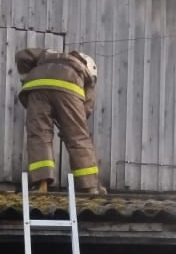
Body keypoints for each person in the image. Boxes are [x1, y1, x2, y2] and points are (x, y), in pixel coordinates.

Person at [15, 47, 107, 194]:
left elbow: (22, 55)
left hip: (37, 87)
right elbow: (83, 114)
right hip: (69, 86)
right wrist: (69, 128)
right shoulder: (86, 73)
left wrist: (27, 77)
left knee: (39, 135)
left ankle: (41, 185)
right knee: (78, 138)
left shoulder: (48, 54)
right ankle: (91, 187)